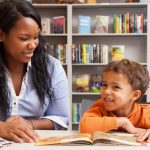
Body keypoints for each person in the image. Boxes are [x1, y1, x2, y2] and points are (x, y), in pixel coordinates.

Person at [0, 0, 70, 143]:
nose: (32, 45)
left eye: (36, 37)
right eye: (24, 38)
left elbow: (61, 118)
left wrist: (29, 124)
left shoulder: (52, 67)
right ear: (1, 35)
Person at [80, 59, 150, 143]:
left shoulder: (146, 113)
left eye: (116, 87)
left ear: (135, 95)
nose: (106, 91)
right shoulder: (100, 106)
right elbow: (84, 126)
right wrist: (122, 122)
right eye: (104, 85)